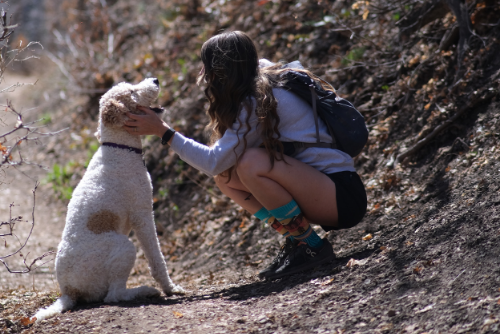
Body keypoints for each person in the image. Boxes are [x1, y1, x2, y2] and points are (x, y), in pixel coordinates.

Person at [123, 31, 367, 280]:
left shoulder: (257, 101)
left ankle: (311, 247)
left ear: (221, 72)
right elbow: (220, 168)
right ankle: (299, 239)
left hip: (342, 196)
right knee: (227, 177)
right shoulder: (263, 77)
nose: (202, 74)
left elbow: (212, 161)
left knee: (251, 163)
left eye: (206, 67)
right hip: (325, 191)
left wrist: (162, 131)